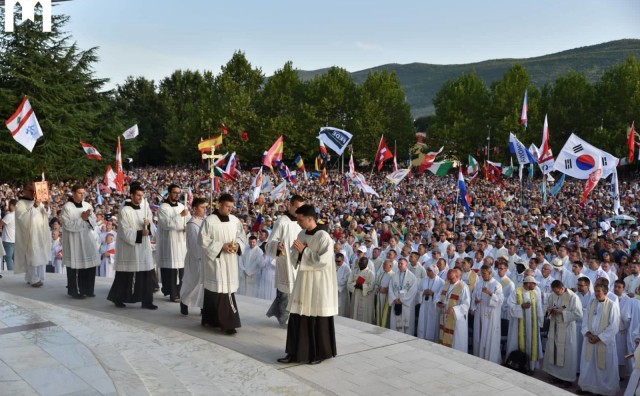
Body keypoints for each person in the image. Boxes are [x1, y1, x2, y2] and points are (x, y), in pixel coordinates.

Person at [278, 204, 338, 365]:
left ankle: (318, 353)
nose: (298, 222)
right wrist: (293, 251)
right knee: (297, 317)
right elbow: (294, 256)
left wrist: (304, 251)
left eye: (301, 219)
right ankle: (293, 352)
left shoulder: (324, 237)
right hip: (303, 281)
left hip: (318, 284)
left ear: (310, 219)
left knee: (316, 319)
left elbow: (323, 262)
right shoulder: (301, 233)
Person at [198, 193, 247, 334]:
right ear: (219, 204)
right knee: (220, 290)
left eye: (231, 207)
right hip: (216, 261)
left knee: (221, 290)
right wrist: (221, 246)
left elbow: (241, 236)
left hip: (230, 261)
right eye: (227, 206)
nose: (229, 209)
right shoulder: (209, 221)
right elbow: (202, 241)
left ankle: (210, 319)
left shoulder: (235, 220)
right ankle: (229, 324)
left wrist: (237, 245)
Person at [107, 182, 157, 309]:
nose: (140, 198)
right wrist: (140, 233)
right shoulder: (125, 210)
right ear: (132, 195)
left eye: (142, 196)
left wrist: (149, 225)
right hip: (129, 247)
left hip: (143, 246)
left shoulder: (146, 209)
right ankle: (118, 298)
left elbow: (152, 226)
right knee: (126, 274)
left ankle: (147, 301)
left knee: (145, 273)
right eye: (138, 195)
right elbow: (124, 230)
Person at [266, 195, 305, 327]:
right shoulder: (282, 222)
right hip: (286, 263)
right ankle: (285, 320)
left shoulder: (303, 222)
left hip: (300, 264)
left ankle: (295, 318)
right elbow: (269, 244)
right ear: (291, 205)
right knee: (285, 295)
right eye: (298, 208)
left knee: (299, 294)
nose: (301, 211)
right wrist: (277, 246)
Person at [578, 283, 621, 396]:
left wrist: (600, 337)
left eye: (599, 291)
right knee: (588, 364)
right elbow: (585, 320)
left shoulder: (612, 305)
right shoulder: (592, 303)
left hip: (604, 342)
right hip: (590, 340)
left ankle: (604, 390)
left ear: (605, 293)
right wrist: (588, 333)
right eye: (595, 291)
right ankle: (587, 387)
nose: (596, 294)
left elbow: (614, 325)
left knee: (603, 367)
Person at [61, 184, 100, 299]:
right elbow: (67, 225)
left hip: (87, 238)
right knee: (75, 267)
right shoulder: (67, 207)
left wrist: (88, 218)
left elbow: (94, 222)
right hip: (74, 241)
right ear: (73, 193)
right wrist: (81, 219)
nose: (82, 195)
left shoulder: (87, 205)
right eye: (79, 193)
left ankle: (88, 290)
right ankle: (74, 291)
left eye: (84, 193)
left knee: (89, 265)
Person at [542, 280, 583, 387]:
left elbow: (578, 314)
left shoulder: (573, 297)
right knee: (553, 350)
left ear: (562, 288)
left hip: (567, 329)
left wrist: (562, 312)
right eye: (554, 291)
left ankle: (566, 379)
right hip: (554, 327)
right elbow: (548, 308)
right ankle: (555, 375)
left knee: (566, 353)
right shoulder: (553, 295)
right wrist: (550, 310)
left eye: (557, 292)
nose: (555, 294)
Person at [157, 184, 190, 302]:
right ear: (169, 193)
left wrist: (188, 227)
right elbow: (166, 224)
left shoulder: (182, 206)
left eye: (178, 193)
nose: (177, 195)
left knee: (182, 270)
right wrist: (180, 215)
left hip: (181, 242)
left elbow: (188, 221)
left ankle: (180, 292)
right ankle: (172, 293)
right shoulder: (163, 208)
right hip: (169, 242)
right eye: (175, 192)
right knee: (171, 271)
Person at [14, 182, 51, 287]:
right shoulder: (20, 203)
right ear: (24, 191)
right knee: (32, 255)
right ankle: (33, 278)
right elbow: (23, 218)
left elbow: (46, 215)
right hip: (30, 234)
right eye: (30, 190)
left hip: (40, 232)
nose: (32, 192)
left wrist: (47, 206)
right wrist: (34, 207)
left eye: (33, 190)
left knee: (39, 255)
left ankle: (31, 277)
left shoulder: (38, 202)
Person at [506, 276, 543, 372]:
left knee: (532, 345)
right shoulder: (517, 292)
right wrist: (521, 306)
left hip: (533, 326)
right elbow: (509, 304)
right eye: (533, 284)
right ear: (528, 283)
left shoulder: (535, 292)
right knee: (519, 343)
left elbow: (539, 308)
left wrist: (540, 321)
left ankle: (531, 367)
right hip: (519, 325)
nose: (535, 286)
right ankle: (517, 364)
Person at [179, 198, 207, 315]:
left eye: (205, 207)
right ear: (194, 209)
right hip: (196, 258)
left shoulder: (205, 221)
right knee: (193, 283)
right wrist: (201, 254)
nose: (204, 210)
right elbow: (195, 244)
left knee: (203, 284)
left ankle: (203, 307)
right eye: (202, 207)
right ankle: (184, 302)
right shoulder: (192, 224)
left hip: (205, 258)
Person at [471, 265, 504, 364]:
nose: (482, 275)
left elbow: (500, 300)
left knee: (488, 336)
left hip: (490, 315)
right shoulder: (479, 283)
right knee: (479, 333)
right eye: (481, 273)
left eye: (484, 273)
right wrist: (475, 303)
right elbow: (474, 296)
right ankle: (478, 356)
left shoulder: (496, 284)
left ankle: (490, 359)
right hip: (480, 312)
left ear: (490, 273)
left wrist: (490, 293)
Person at [436, 267, 470, 352]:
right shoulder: (446, 284)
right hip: (445, 316)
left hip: (456, 319)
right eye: (448, 278)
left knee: (456, 341)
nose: (449, 280)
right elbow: (438, 296)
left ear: (457, 277)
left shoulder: (463, 287)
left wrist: (454, 310)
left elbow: (466, 304)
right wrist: (438, 302)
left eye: (451, 279)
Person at [388, 257, 418, 335]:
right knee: (395, 324)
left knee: (406, 325)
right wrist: (394, 299)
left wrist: (402, 300)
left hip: (406, 305)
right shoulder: (394, 276)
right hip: (396, 302)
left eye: (402, 263)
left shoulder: (412, 277)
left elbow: (413, 291)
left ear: (406, 264)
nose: (400, 265)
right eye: (399, 263)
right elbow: (390, 288)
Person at [417, 264, 445, 341]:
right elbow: (418, 291)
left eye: (429, 271)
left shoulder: (441, 282)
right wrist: (423, 292)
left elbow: (441, 295)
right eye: (427, 270)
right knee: (423, 321)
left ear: (434, 272)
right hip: (424, 304)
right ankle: (421, 337)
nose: (427, 272)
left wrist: (432, 293)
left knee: (432, 323)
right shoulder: (424, 280)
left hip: (434, 306)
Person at [348, 256, 375, 324]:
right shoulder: (354, 271)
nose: (360, 264)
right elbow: (348, 283)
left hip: (365, 297)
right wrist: (355, 285)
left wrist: (362, 286)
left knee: (364, 316)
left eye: (362, 263)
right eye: (359, 262)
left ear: (366, 264)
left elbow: (372, 286)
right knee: (355, 312)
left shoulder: (370, 273)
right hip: (356, 295)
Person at [375, 259, 394, 328]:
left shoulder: (393, 275)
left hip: (387, 297)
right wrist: (378, 287)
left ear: (390, 266)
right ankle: (379, 324)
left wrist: (386, 290)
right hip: (380, 296)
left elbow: (393, 287)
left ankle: (385, 326)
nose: (383, 266)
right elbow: (377, 282)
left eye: (385, 265)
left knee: (385, 313)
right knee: (379, 311)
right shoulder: (382, 274)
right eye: (383, 264)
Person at [0, 199, 17, 271]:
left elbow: (1, 223)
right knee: (14, 258)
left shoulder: (10, 215)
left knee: (8, 258)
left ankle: (11, 274)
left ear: (12, 205)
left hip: (8, 240)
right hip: (15, 240)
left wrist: (0, 228)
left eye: (9, 205)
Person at [335, 252, 351, 318]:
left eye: (339, 261)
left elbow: (344, 280)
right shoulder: (334, 265)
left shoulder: (346, 268)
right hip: (333, 290)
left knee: (342, 307)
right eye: (336, 261)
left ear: (343, 260)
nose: (337, 263)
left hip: (341, 291)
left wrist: (334, 282)